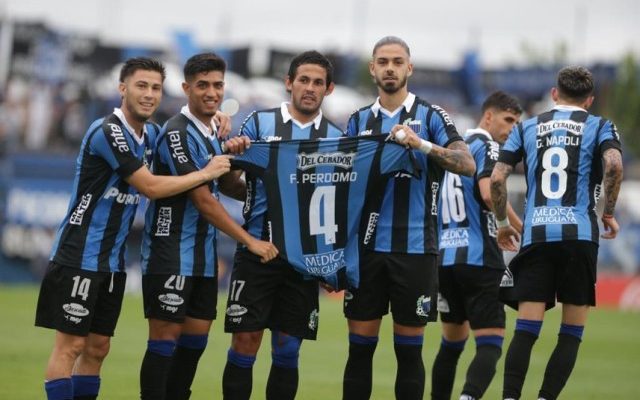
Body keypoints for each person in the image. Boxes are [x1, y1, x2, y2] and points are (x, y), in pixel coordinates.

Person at [34, 57, 232, 400]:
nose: (149, 94)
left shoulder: (152, 134)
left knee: (97, 349)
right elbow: (151, 187)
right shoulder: (107, 131)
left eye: (156, 88)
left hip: (111, 261)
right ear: (122, 88)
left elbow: (181, 134)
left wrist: (214, 121)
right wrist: (207, 173)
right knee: (70, 347)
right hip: (79, 254)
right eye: (141, 86)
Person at [138, 53, 278, 400]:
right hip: (170, 253)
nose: (211, 92)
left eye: (217, 85)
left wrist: (251, 176)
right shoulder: (176, 133)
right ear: (186, 88)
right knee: (164, 342)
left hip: (201, 257)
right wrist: (251, 241)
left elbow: (226, 187)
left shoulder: (214, 130)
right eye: (202, 85)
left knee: (194, 342)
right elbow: (203, 200)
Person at [342, 36, 476, 400]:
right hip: (366, 252)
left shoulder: (432, 116)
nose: (390, 68)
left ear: (409, 68)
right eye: (382, 61)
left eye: (397, 61)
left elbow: (467, 164)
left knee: (409, 351)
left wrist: (422, 145)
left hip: (415, 250)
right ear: (372, 68)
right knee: (359, 348)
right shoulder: (357, 121)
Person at [490, 66, 623, 400]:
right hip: (579, 236)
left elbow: (496, 179)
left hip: (538, 236)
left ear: (553, 94)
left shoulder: (527, 127)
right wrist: (607, 212)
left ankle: (509, 397)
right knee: (571, 332)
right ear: (589, 100)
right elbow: (615, 165)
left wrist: (503, 224)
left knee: (526, 328)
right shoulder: (599, 126)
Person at [221, 50, 343, 400]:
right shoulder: (258, 124)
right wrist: (234, 164)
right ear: (289, 83)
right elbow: (230, 184)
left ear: (328, 89)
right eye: (303, 79)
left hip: (304, 260)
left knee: (288, 348)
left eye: (318, 82)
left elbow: (341, 202)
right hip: (256, 251)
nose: (309, 87)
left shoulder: (337, 137)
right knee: (245, 342)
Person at [431, 91, 523, 400]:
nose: (512, 128)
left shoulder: (453, 150)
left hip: (445, 260)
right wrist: (503, 226)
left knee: (452, 342)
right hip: (479, 257)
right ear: (488, 117)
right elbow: (489, 191)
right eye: (508, 119)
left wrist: (516, 222)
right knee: (491, 342)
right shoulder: (487, 146)